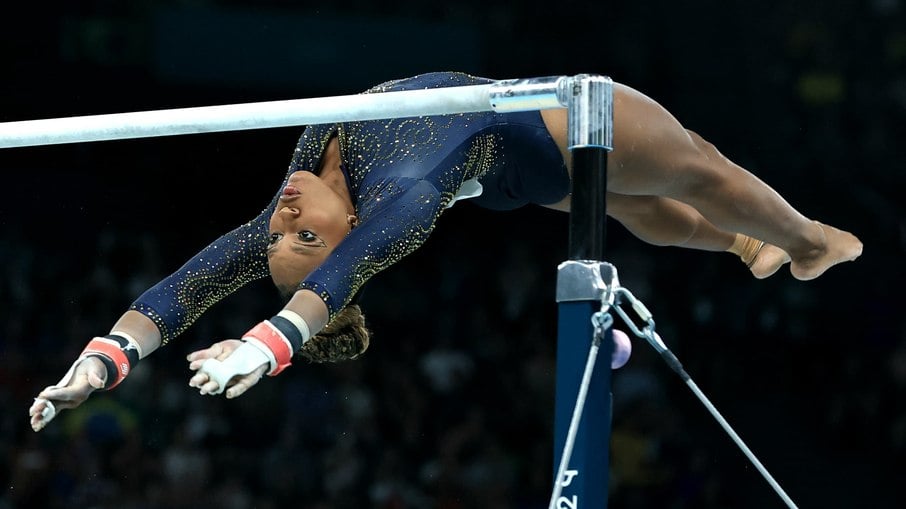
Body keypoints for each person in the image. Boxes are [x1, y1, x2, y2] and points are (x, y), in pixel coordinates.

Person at [29, 72, 862, 432]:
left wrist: (102, 362)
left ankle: (747, 243)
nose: (284, 218)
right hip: (545, 119)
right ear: (348, 240)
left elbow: (191, 283)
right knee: (702, 167)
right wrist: (269, 342)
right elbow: (347, 273)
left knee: (640, 208)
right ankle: (809, 241)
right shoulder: (404, 199)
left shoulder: (293, 202)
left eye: (280, 238)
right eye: (304, 239)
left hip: (507, 166)